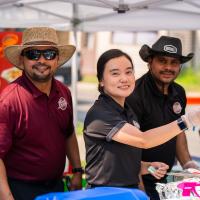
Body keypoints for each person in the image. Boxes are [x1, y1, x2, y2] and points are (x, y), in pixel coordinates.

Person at [83, 49, 200, 192]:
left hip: (128, 192)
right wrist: (187, 120)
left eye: (128, 72)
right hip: (106, 193)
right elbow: (143, 140)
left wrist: (148, 167)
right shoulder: (100, 113)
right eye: (115, 73)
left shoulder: (126, 110)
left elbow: (121, 159)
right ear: (101, 80)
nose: (124, 78)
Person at [0, 27, 83, 200]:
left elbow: (68, 133)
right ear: (22, 60)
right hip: (20, 190)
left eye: (50, 54)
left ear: (57, 59)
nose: (42, 60)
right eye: (33, 54)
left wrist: (76, 170)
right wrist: (7, 197)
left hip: (57, 186)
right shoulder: (8, 101)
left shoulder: (64, 92)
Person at [126, 36, 199, 200]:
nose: (168, 67)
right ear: (150, 62)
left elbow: (178, 130)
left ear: (180, 66)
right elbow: (129, 148)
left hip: (167, 178)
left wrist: (187, 164)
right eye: (162, 61)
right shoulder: (134, 95)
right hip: (138, 180)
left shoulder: (179, 92)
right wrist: (141, 192)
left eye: (174, 62)